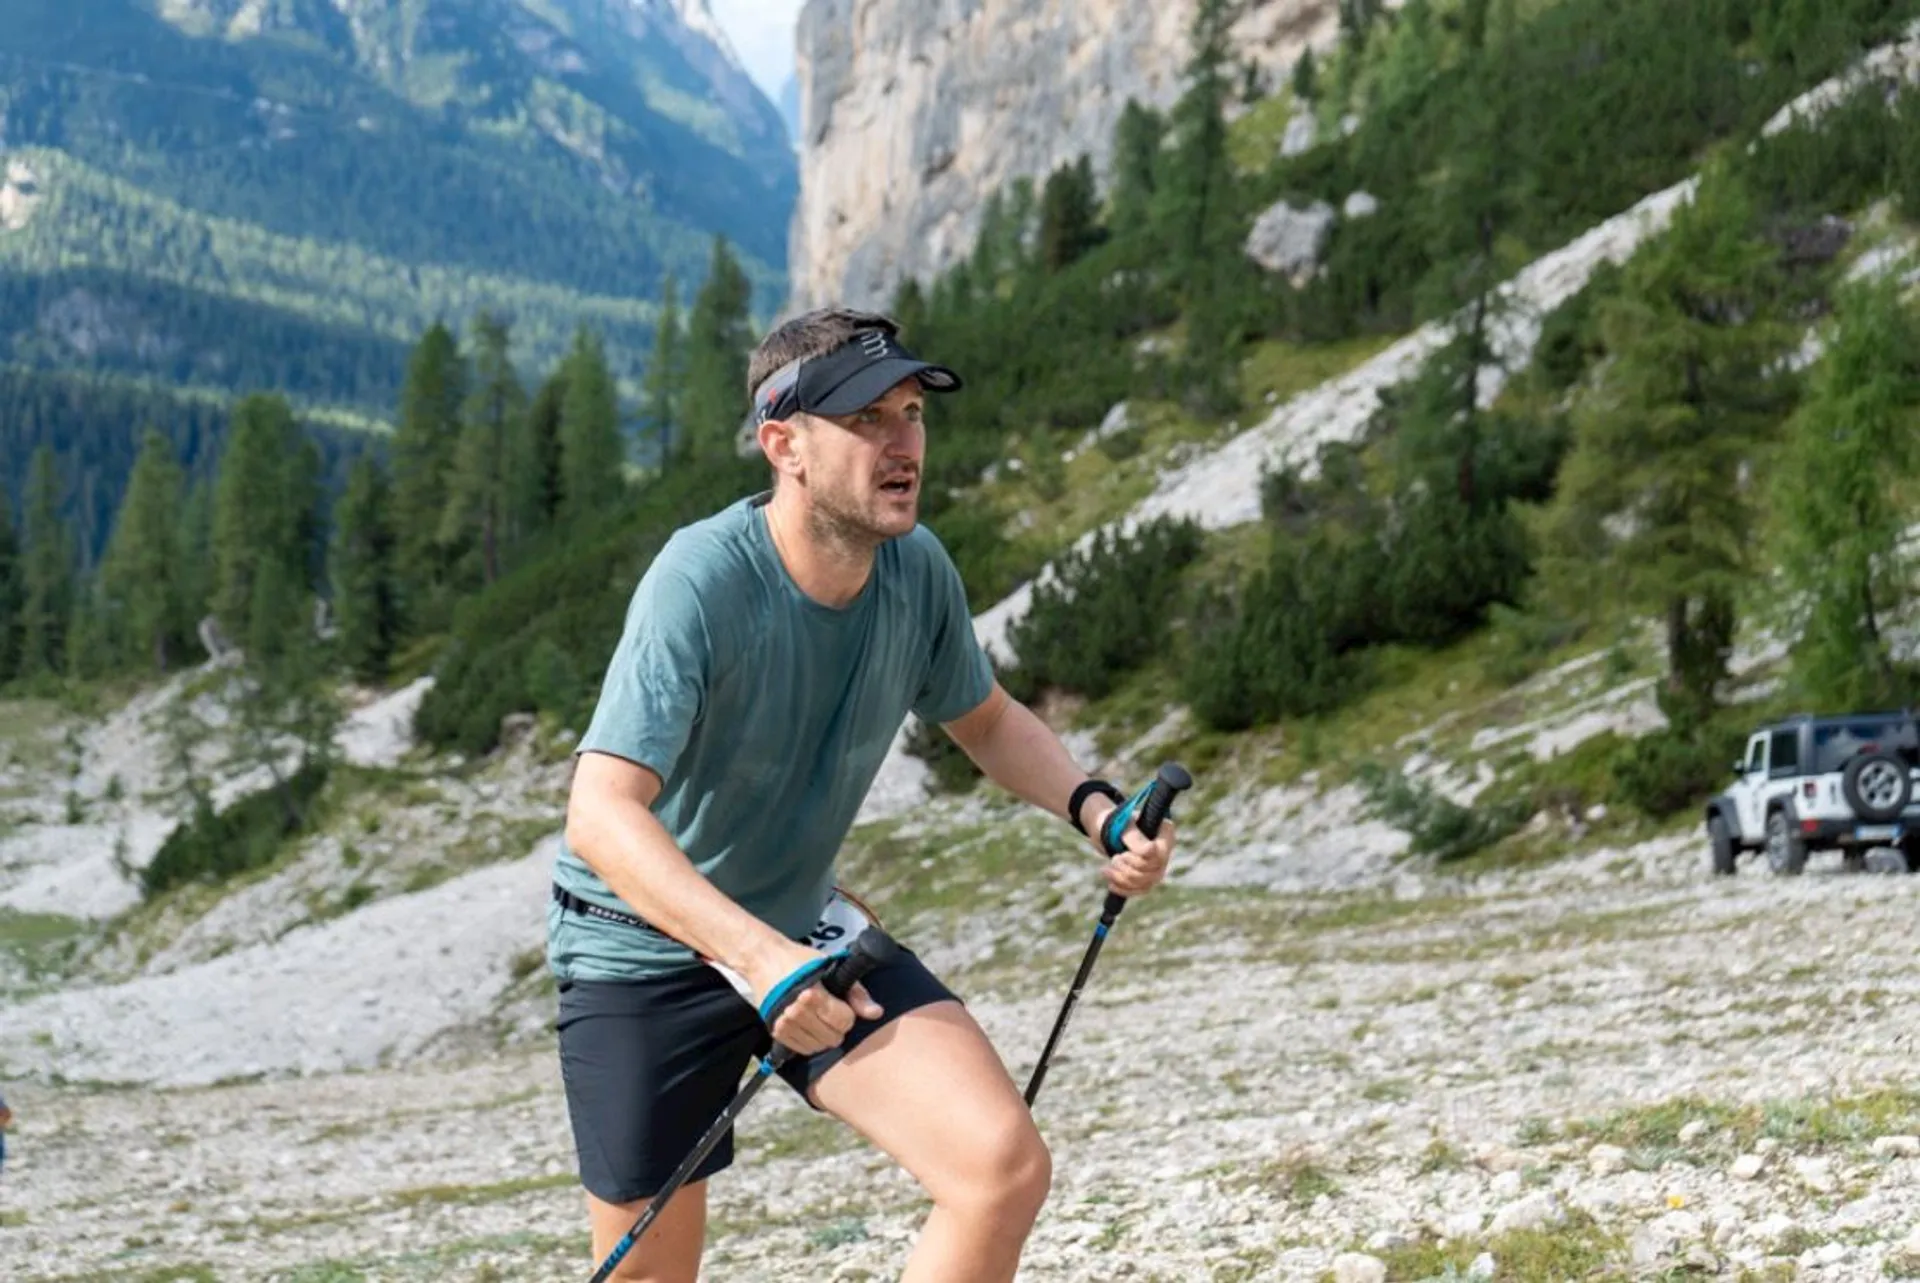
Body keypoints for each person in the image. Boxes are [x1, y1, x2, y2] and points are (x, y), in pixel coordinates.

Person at [548, 306, 1178, 1282]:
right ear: (784, 444)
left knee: (1001, 1169)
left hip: (801, 934)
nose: (903, 443)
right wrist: (760, 962)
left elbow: (989, 720)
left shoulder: (915, 570)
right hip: (643, 949)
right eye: (867, 419)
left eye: (912, 413)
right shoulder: (702, 580)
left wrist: (1098, 807)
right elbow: (598, 810)